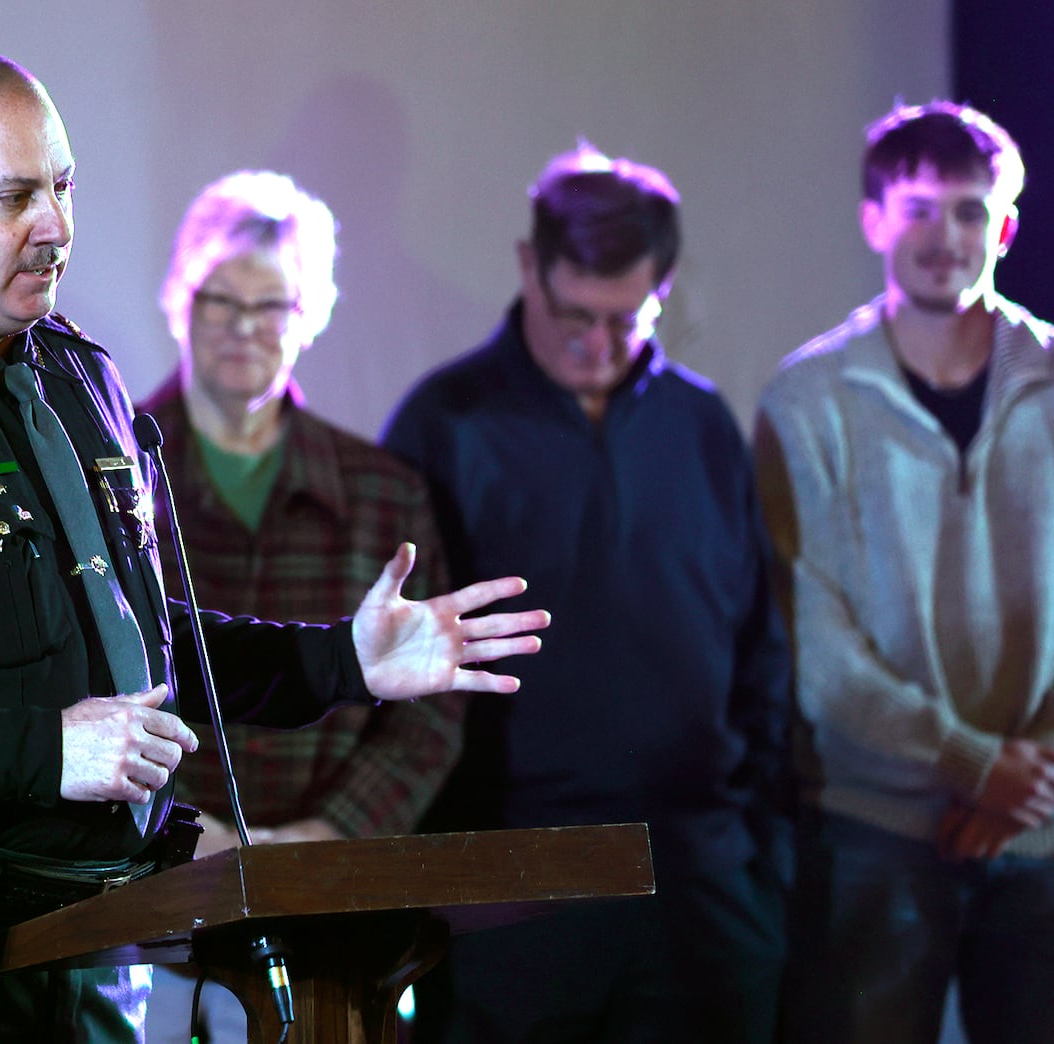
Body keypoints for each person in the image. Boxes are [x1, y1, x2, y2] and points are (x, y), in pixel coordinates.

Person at [0, 51, 550, 1042]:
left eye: (62, 186)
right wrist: (44, 748)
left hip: (122, 937)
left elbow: (135, 645)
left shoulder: (83, 377)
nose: (54, 226)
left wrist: (339, 661)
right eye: (13, 197)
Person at [383, 147, 792, 1043]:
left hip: (702, 881)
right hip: (515, 885)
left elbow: (760, 651)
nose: (598, 346)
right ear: (529, 266)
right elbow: (401, 681)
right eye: (574, 315)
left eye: (629, 319)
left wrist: (763, 862)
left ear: (663, 285)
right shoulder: (444, 425)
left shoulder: (701, 424)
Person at [135, 170, 465, 1041]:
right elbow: (82, 678)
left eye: (272, 307)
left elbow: (431, 716)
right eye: (220, 301)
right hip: (150, 909)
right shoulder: (107, 482)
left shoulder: (383, 493)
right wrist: (179, 829)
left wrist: (328, 834)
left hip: (341, 914)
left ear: (311, 317)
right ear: (178, 300)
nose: (243, 329)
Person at [755, 101, 1054, 1044]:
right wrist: (973, 765)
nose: (944, 238)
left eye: (970, 212)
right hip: (872, 826)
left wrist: (1029, 783)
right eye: (919, 208)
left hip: (1045, 821)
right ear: (874, 219)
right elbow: (814, 639)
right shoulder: (807, 398)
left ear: (1004, 227)